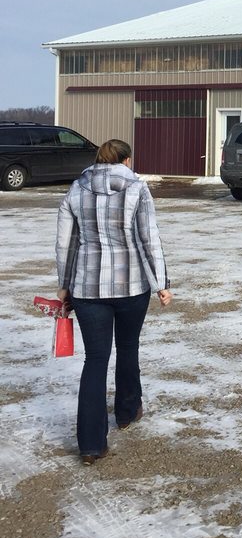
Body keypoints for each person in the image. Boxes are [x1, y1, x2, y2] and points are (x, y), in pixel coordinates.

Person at [56, 138, 172, 465]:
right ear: (126, 160)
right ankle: (126, 411)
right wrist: (161, 283)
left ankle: (91, 444)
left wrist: (64, 286)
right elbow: (149, 238)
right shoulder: (137, 188)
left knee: (95, 359)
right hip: (132, 284)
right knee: (128, 346)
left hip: (87, 288)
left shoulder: (76, 189)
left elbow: (66, 243)